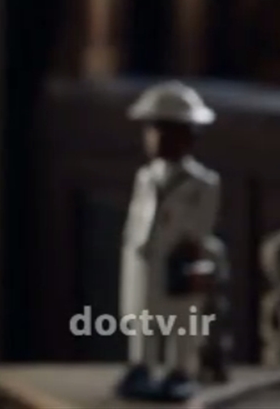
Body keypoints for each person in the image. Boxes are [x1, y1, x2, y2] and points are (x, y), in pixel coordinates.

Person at [116, 81, 221, 402]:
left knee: (181, 320)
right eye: (152, 130)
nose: (157, 138)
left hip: (178, 261)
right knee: (141, 316)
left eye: (168, 131)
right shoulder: (145, 177)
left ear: (188, 136)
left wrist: (190, 249)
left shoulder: (203, 183)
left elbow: (202, 225)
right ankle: (142, 365)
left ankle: (180, 370)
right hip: (144, 259)